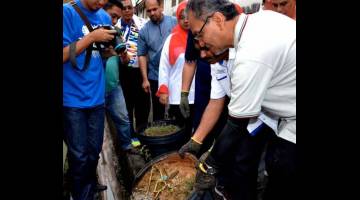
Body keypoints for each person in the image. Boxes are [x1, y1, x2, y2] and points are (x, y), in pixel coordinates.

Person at [183, 0, 296, 199]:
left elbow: (237, 124)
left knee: (280, 172)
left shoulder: (251, 53)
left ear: (217, 20)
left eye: (199, 34)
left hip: (290, 119)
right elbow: (217, 101)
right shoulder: (258, 23)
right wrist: (196, 141)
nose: (200, 43)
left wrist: (209, 164)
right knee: (276, 166)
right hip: (287, 116)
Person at [63, 0, 115, 199]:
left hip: (96, 96)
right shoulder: (67, 13)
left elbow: (97, 54)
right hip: (72, 98)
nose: (101, 2)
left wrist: (109, 52)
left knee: (94, 150)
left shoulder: (103, 16)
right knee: (79, 154)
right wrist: (91, 36)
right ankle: (81, 194)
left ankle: (89, 183)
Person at [103, 0, 139, 153]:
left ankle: (126, 147)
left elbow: (126, 61)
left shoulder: (116, 33)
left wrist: (123, 53)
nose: (114, 21)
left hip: (114, 85)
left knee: (123, 118)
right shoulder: (91, 31)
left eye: (116, 18)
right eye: (112, 16)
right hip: (96, 86)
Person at [157, 1, 195, 137]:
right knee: (180, 131)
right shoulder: (171, 39)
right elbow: (163, 67)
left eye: (188, 16)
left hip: (199, 95)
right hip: (177, 96)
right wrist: (163, 90)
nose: (185, 20)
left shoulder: (200, 36)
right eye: (181, 17)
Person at [138, 0, 177, 122]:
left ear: (161, 6)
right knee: (158, 112)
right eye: (149, 11)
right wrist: (145, 79)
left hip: (176, 75)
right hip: (156, 77)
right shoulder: (144, 31)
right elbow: (142, 55)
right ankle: (160, 137)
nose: (152, 13)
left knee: (177, 109)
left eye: (154, 9)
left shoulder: (175, 22)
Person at [115, 0, 149, 133]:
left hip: (140, 70)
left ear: (134, 9)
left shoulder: (143, 23)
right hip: (123, 72)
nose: (127, 10)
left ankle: (142, 134)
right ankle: (130, 136)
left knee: (143, 106)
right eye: (124, 8)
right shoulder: (115, 26)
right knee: (126, 105)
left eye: (129, 7)